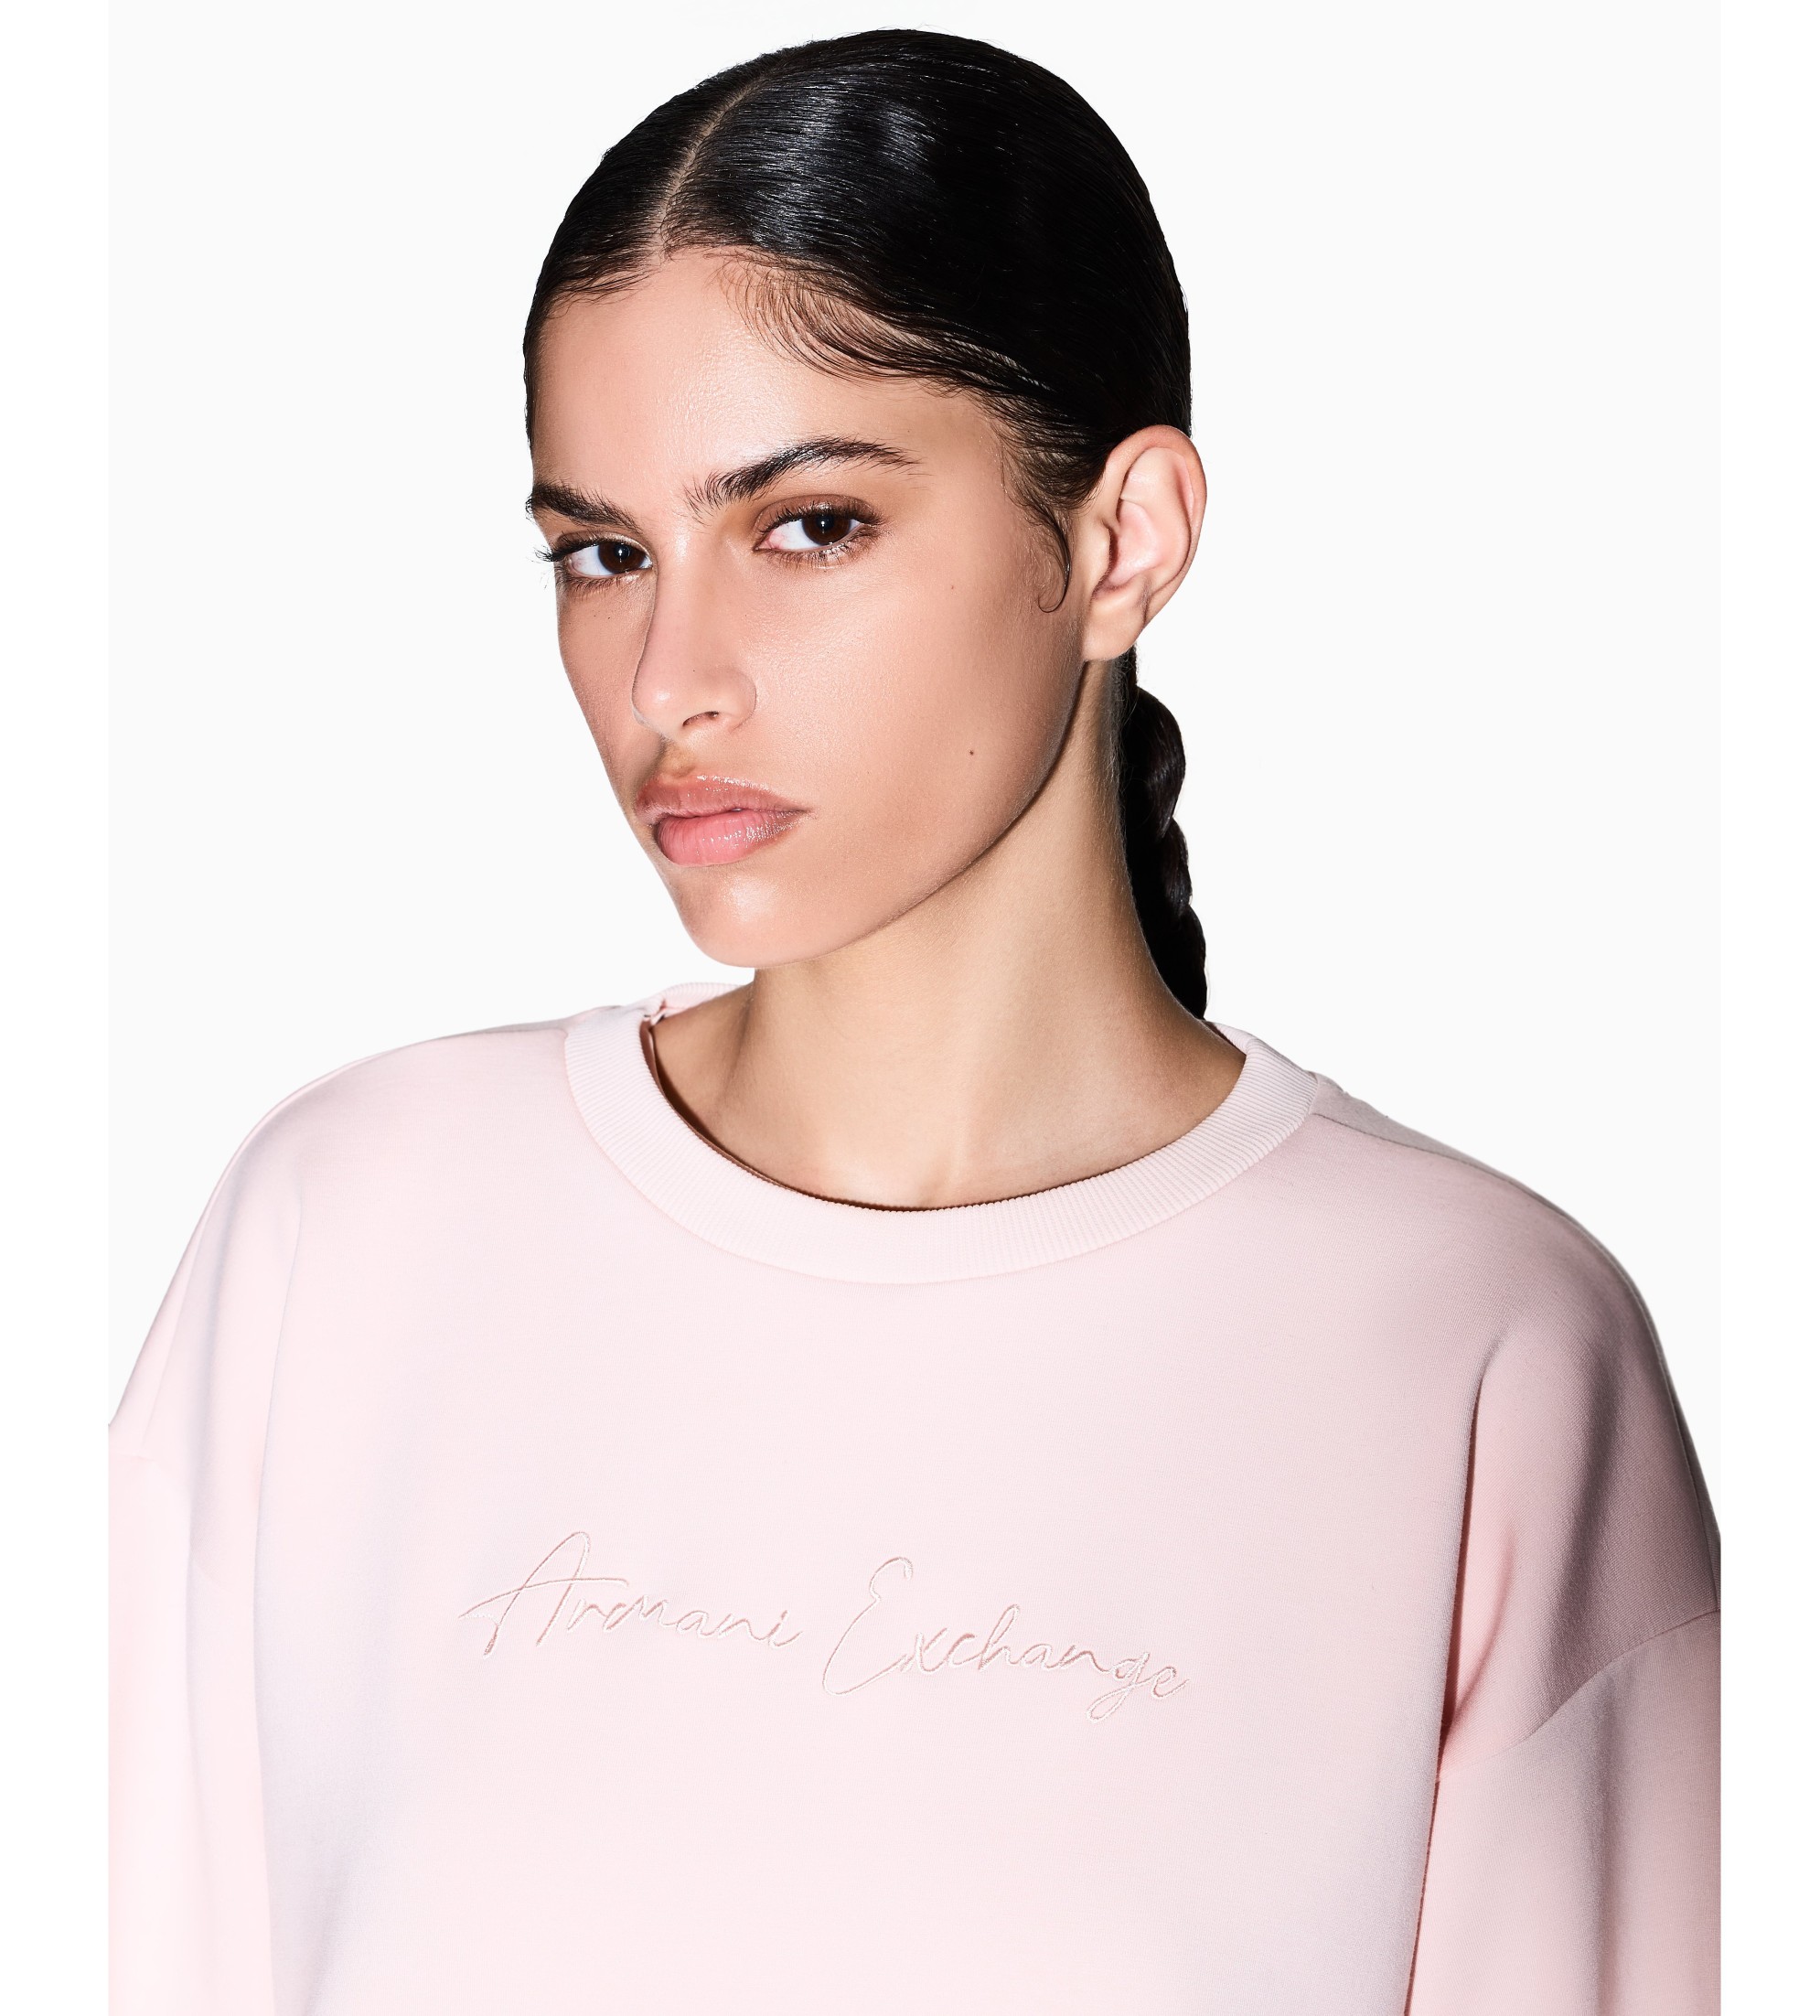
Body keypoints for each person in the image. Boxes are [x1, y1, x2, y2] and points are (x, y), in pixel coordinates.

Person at [109, 29, 1718, 2015]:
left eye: (809, 526)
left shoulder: (1473, 1344)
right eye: (604, 553)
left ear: (1121, 541)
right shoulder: (353, 1233)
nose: (669, 678)